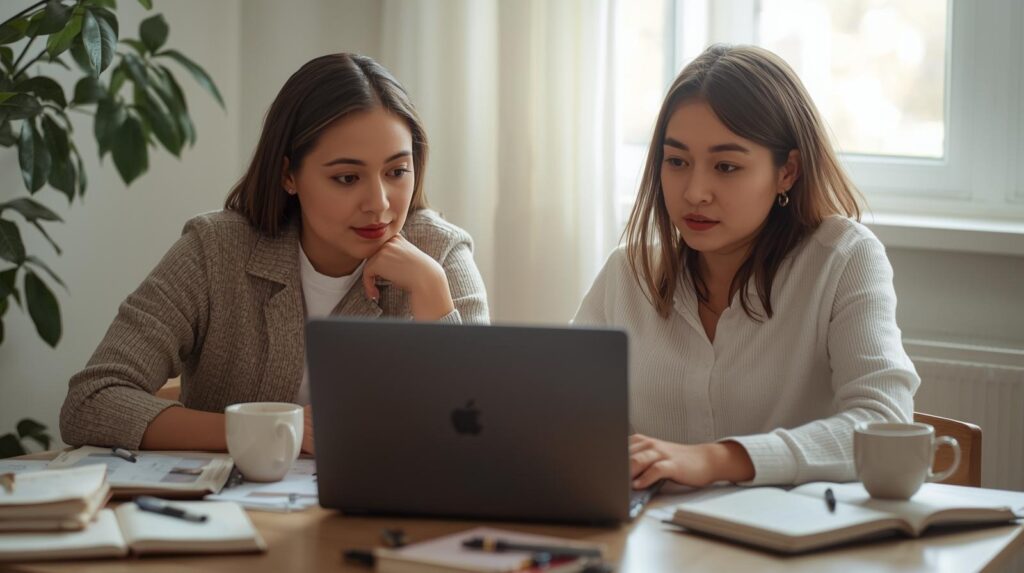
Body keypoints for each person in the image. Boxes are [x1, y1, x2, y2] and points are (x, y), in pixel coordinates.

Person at [60, 53, 489, 454]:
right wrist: (271, 431)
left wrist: (433, 291)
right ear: (288, 175)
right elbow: (92, 401)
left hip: (382, 524)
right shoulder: (215, 250)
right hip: (233, 523)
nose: (379, 203)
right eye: (346, 178)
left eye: (397, 171)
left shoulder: (441, 253)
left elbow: (485, 431)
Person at [572, 44, 919, 489]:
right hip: (653, 543)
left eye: (726, 166)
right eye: (676, 161)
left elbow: (882, 423)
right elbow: (561, 410)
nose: (695, 191)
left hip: (793, 548)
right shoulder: (628, 272)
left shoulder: (844, 259)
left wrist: (718, 460)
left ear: (787, 171)